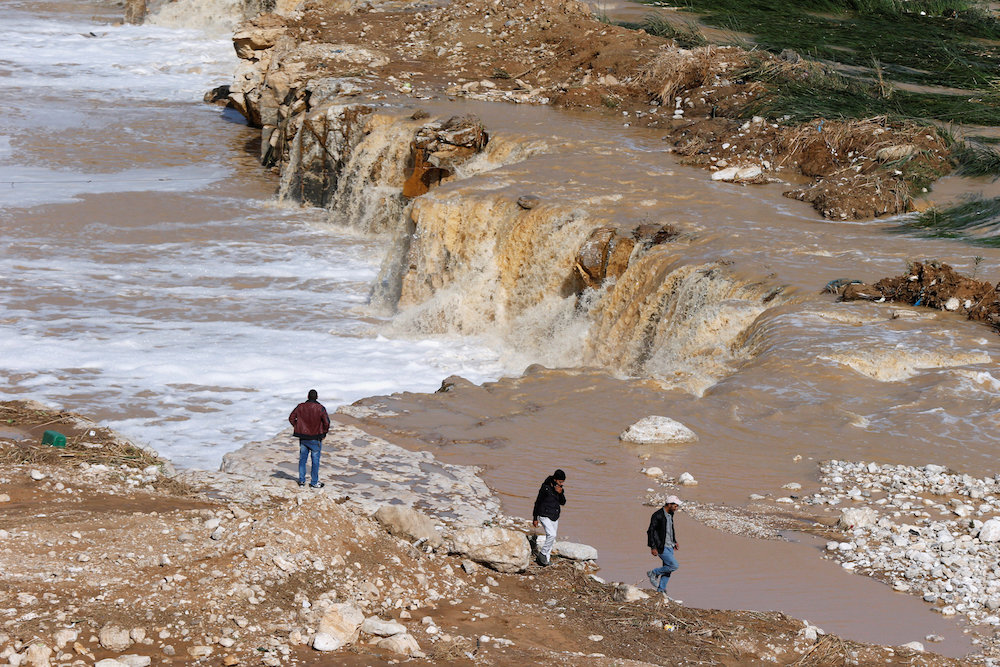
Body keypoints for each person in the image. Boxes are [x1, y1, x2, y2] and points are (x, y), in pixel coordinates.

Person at [288, 389, 330, 488]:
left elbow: (291, 418)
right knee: (315, 461)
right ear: (317, 397)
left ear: (307, 396)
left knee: (303, 459)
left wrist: (298, 427)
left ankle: (302, 481)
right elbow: (327, 422)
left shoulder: (300, 406)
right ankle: (314, 482)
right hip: (315, 438)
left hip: (303, 437)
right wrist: (324, 433)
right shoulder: (320, 408)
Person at [531, 469, 566, 566]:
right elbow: (537, 502)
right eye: (560, 481)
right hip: (544, 515)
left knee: (551, 539)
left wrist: (560, 493)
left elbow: (563, 502)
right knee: (552, 535)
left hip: (555, 516)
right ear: (555, 479)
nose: (561, 483)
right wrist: (535, 518)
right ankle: (542, 554)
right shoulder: (545, 487)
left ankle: (546, 560)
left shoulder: (560, 488)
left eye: (563, 482)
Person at [646, 495, 681, 594]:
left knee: (668, 570)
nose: (676, 508)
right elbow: (650, 531)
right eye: (675, 506)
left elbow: (670, 529)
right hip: (661, 546)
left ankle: (661, 590)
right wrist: (653, 547)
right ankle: (653, 573)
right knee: (674, 565)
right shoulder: (657, 515)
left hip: (670, 546)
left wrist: (674, 541)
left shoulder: (670, 514)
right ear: (669, 504)